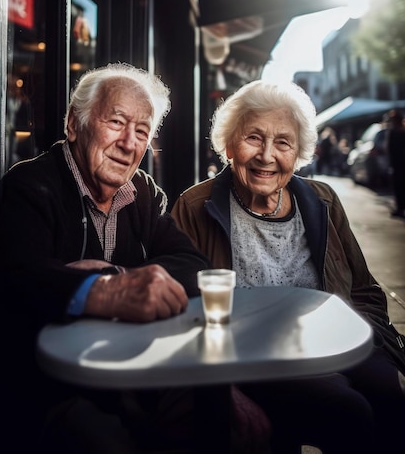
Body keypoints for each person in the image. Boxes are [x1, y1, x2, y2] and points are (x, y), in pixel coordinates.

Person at [0, 63, 271, 454]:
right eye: (116, 122)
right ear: (74, 124)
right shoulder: (31, 185)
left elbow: (193, 266)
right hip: (56, 386)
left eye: (142, 132)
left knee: (237, 428)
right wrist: (104, 293)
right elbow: (20, 281)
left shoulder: (142, 191)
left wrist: (114, 277)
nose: (128, 142)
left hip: (142, 373)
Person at [171, 80, 405, 454]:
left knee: (395, 400)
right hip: (257, 360)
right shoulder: (194, 206)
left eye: (283, 142)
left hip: (338, 344)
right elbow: (179, 313)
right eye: (253, 138)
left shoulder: (322, 200)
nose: (267, 155)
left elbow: (364, 290)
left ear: (298, 154)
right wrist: (223, 386)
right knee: (350, 412)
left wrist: (370, 345)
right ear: (229, 145)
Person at [386, 109, 405, 218]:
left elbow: (389, 149)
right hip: (399, 163)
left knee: (398, 186)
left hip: (397, 164)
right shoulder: (401, 131)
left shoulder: (393, 132)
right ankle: (400, 208)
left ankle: (400, 208)